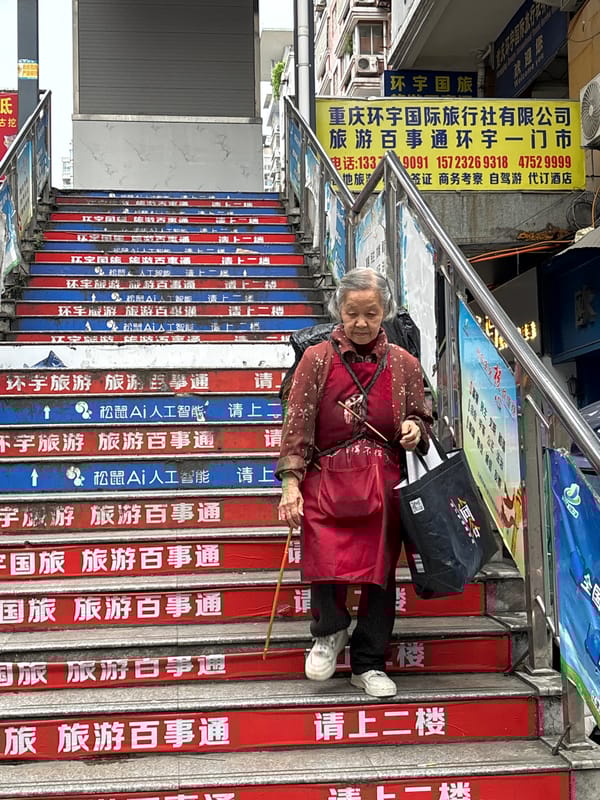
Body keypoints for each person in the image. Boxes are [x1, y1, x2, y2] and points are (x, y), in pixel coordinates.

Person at [276, 267, 432, 698]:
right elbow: (297, 424)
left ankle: (368, 663)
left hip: (383, 484)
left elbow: (423, 411)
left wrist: (416, 428)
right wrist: (291, 483)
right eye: (351, 314)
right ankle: (328, 633)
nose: (361, 323)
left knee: (379, 576)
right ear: (338, 312)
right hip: (326, 480)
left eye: (371, 313)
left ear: (384, 313)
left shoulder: (403, 363)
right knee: (325, 566)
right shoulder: (316, 359)